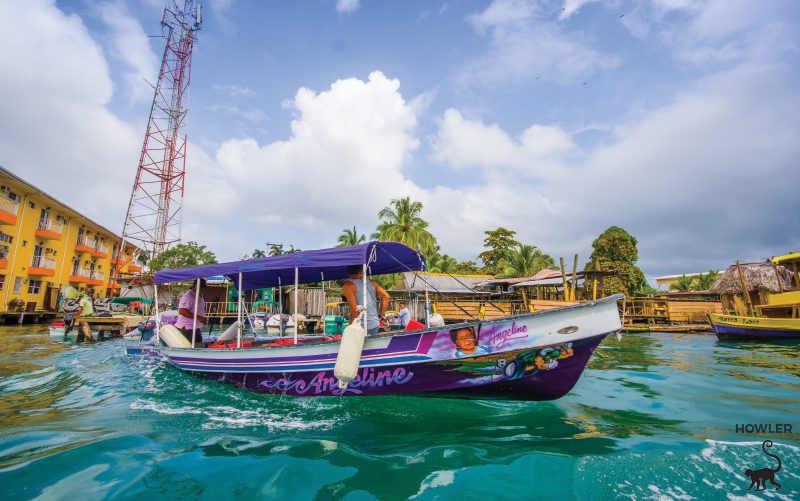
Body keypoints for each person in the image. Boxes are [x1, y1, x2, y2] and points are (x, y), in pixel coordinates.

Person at [342, 264, 390, 336]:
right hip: (375, 323)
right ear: (361, 271)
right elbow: (386, 296)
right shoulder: (372, 282)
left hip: (362, 326)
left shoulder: (348, 286)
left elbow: (355, 310)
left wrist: (350, 326)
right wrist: (381, 314)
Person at [176, 279, 207, 345]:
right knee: (189, 348)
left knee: (199, 347)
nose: (204, 289)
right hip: (187, 328)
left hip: (196, 328)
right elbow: (182, 311)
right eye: (202, 287)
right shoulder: (188, 296)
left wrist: (202, 318)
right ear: (195, 286)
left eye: (205, 286)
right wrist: (199, 318)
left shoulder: (200, 296)